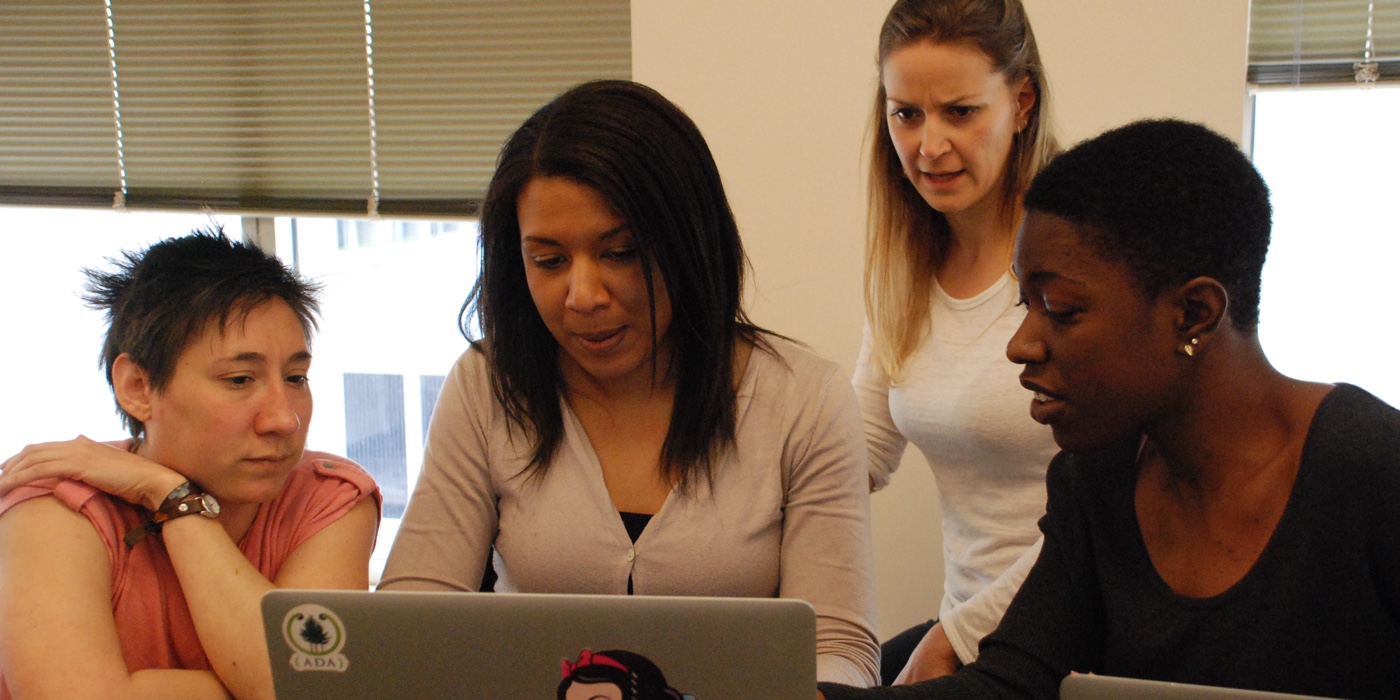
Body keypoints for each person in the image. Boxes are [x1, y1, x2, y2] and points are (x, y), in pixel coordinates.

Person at [819, 118, 1400, 699]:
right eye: (1026, 304)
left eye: (1062, 310)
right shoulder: (1098, 475)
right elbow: (1015, 683)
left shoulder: (1372, 469)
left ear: (1193, 313)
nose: (1020, 345)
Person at [377, 79, 880, 687]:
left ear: (690, 243)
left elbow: (837, 645)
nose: (583, 297)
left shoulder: (803, 400)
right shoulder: (487, 386)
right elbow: (414, 615)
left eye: (619, 253)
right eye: (549, 261)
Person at [0, 231, 381, 700]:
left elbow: (312, 689)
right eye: (240, 379)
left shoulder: (329, 500)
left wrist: (172, 498)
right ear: (138, 387)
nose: (285, 418)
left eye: (296, 377)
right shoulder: (56, 510)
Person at [852, 0, 1061, 685]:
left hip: (1063, 629)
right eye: (906, 113)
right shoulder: (904, 270)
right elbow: (858, 456)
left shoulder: (1078, 261)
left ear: (1021, 101)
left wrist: (958, 636)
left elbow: (1111, 508)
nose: (928, 145)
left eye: (959, 112)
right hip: (967, 626)